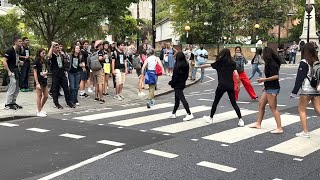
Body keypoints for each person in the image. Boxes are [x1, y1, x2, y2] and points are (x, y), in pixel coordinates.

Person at [200, 48, 244, 127]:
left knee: (216, 102)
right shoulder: (232, 63)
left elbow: (208, 65)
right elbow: (237, 74)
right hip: (230, 85)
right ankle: (240, 120)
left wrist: (199, 66)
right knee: (234, 103)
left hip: (221, 86)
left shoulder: (219, 63)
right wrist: (238, 85)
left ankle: (210, 118)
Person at [249, 47, 283, 134]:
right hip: (268, 87)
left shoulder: (272, 64)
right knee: (261, 104)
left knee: (273, 108)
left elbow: (276, 76)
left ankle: (279, 128)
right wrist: (265, 84)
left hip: (272, 88)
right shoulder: (269, 63)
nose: (262, 55)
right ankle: (258, 123)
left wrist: (264, 80)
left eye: (263, 54)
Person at [290, 42, 320, 138]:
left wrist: (294, 92)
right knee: (318, 109)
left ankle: (305, 131)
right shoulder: (316, 61)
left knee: (302, 110)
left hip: (306, 89)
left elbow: (300, 78)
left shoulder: (304, 62)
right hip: (316, 89)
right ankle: (305, 131)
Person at [48, 42, 75, 109]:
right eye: (56, 48)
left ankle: (68, 102)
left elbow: (66, 62)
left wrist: (64, 56)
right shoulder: (52, 56)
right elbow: (48, 56)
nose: (57, 49)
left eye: (58, 48)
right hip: (56, 74)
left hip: (62, 73)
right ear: (53, 49)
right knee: (55, 89)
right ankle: (56, 103)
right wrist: (52, 45)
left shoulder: (60, 55)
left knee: (66, 89)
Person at [168, 52, 194, 121]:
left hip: (177, 84)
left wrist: (171, 83)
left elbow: (175, 77)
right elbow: (186, 75)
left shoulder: (177, 65)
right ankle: (173, 113)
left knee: (182, 99)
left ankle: (189, 113)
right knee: (177, 99)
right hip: (182, 83)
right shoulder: (186, 64)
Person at [3, 37, 24, 110]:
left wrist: (19, 62)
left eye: (21, 41)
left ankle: (13, 102)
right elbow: (4, 61)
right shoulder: (10, 50)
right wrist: (8, 71)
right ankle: (8, 104)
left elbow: (15, 60)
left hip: (16, 70)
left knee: (17, 87)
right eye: (19, 41)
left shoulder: (17, 51)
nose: (21, 43)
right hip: (11, 71)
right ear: (15, 42)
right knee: (12, 87)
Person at [33, 48, 48, 117]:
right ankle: (39, 111)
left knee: (46, 96)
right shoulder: (36, 61)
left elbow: (45, 68)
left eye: (45, 53)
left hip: (44, 79)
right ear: (39, 53)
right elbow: (35, 72)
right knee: (39, 95)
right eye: (43, 53)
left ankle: (40, 108)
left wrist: (46, 72)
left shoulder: (44, 61)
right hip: (39, 80)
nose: (44, 54)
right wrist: (37, 83)